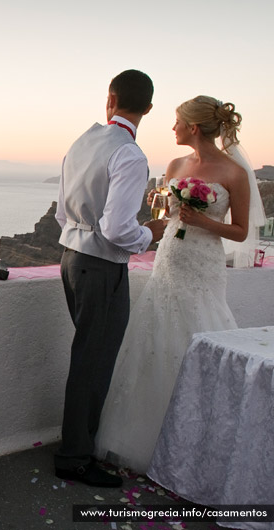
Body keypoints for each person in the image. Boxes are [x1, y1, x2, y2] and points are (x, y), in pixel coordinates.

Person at [94, 95, 262, 475]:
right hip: (169, 258)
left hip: (203, 266)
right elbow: (167, 218)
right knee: (154, 340)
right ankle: (147, 440)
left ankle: (199, 440)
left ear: (194, 127)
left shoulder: (233, 172)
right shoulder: (174, 164)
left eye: (178, 121)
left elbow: (240, 232)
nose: (172, 127)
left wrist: (204, 223)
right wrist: (163, 204)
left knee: (199, 336)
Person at [54, 69, 166, 488]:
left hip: (70, 258)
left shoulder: (82, 142)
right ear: (148, 108)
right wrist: (149, 234)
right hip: (102, 267)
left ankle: (76, 445)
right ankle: (74, 457)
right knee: (95, 360)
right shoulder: (131, 155)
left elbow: (63, 213)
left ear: (110, 99)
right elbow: (119, 230)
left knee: (87, 355)